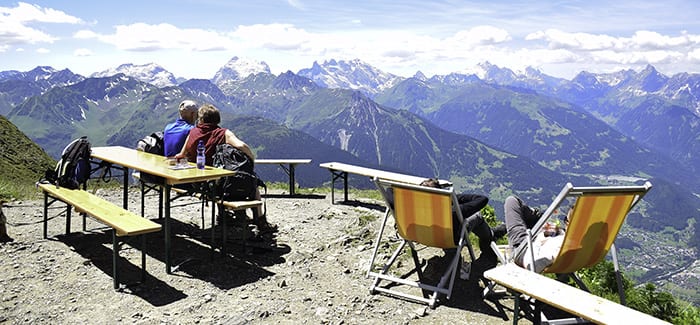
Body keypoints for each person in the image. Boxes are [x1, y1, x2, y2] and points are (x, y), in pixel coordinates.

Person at [174, 104, 272, 232]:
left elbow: (181, 154)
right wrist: (251, 158)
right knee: (253, 186)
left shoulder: (193, 132)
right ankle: (260, 221)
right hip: (217, 185)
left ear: (201, 119)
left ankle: (224, 215)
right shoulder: (223, 133)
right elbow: (242, 145)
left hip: (197, 183)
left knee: (220, 182)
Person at [504, 195, 567, 272]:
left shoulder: (548, 254)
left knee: (511, 201)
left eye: (566, 220)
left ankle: (495, 232)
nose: (565, 221)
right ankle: (538, 215)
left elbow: (534, 263)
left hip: (523, 250)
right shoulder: (578, 244)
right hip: (540, 243)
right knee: (530, 218)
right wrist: (558, 231)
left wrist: (540, 238)